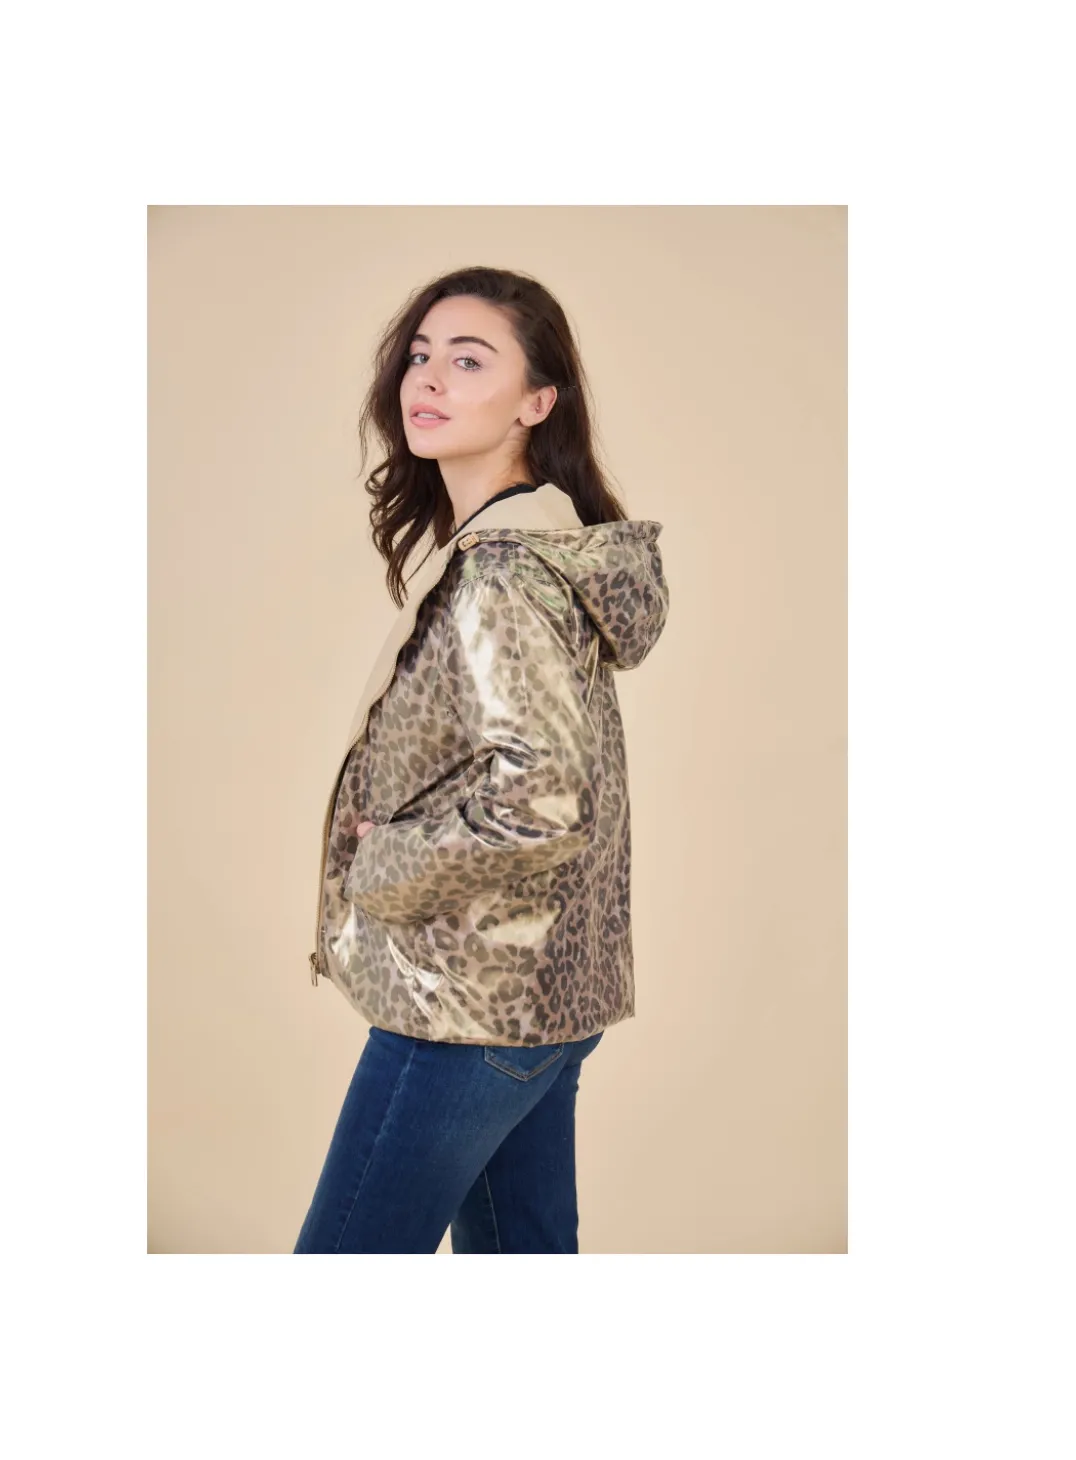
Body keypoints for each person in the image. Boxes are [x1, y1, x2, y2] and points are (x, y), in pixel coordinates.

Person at [293, 266, 669, 1253]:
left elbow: (543, 798)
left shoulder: (501, 572)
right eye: (420, 355)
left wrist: (382, 861)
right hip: (540, 999)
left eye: (469, 361)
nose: (428, 378)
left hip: (463, 1008)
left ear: (535, 403)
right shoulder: (530, 550)